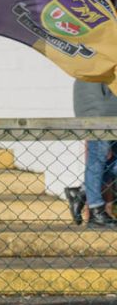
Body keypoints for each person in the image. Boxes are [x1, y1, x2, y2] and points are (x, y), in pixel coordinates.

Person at [66, 78, 117, 227]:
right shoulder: (94, 61)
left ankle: (83, 191)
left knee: (99, 157)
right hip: (98, 106)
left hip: (110, 104)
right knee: (97, 156)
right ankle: (95, 210)